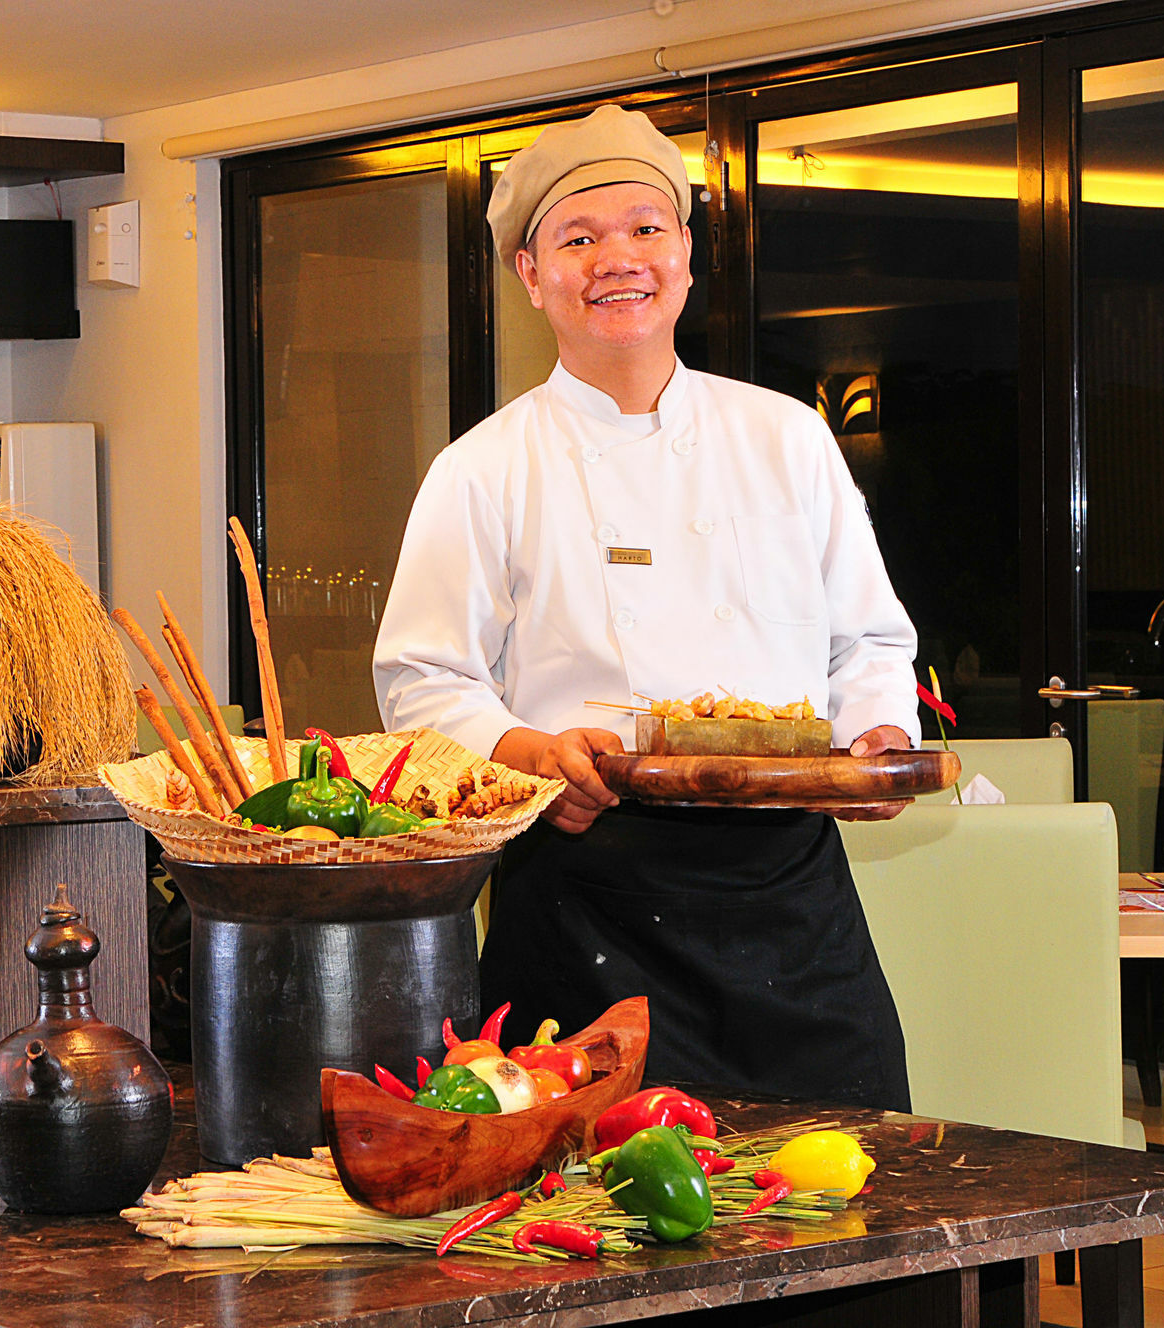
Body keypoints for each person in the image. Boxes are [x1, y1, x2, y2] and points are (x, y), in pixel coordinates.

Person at [372, 104, 920, 1110]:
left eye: (642, 228)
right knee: (593, 1216)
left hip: (788, 887)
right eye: (576, 238)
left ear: (685, 254)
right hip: (586, 881)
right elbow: (420, 678)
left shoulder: (786, 437)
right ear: (530, 273)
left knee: (853, 1197)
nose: (614, 258)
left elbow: (866, 639)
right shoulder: (483, 468)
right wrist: (527, 750)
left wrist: (876, 730)